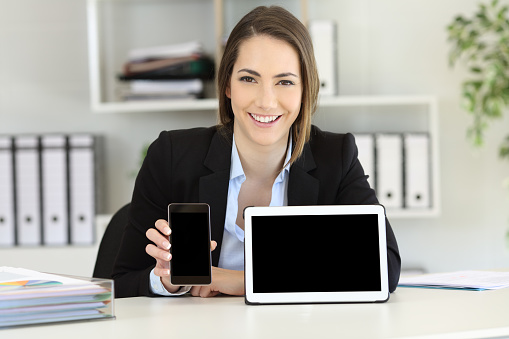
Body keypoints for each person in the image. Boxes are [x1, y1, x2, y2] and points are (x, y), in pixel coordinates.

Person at [112, 5, 401, 298]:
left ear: (305, 91)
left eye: (285, 82)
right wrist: (167, 280)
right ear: (227, 85)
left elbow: (384, 268)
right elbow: (120, 282)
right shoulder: (172, 156)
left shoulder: (335, 157)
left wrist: (245, 280)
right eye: (249, 79)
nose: (266, 101)